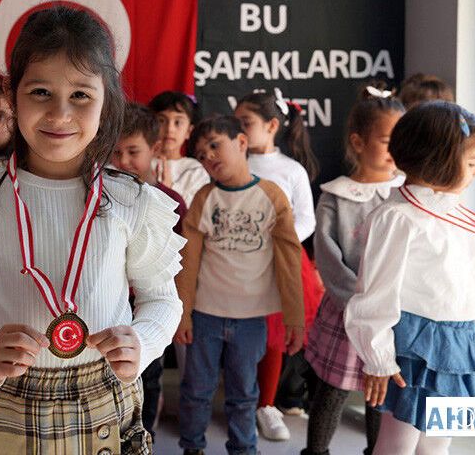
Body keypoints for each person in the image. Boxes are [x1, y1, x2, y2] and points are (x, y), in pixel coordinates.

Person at [0, 6, 184, 454]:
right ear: (11, 93)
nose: (60, 114)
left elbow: (163, 299)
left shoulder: (131, 200)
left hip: (104, 398)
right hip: (3, 399)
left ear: (107, 99)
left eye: (81, 95)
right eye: (41, 91)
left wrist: (145, 339)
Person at [345, 101, 475, 455]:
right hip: (416, 347)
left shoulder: (452, 211)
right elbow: (374, 293)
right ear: (438, 161)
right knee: (398, 445)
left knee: (439, 443)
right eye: (471, 163)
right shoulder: (397, 218)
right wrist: (378, 357)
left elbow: (471, 275)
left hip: (462, 343)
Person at [175, 115, 304, 455]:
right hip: (205, 315)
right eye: (201, 155)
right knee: (196, 390)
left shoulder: (271, 195)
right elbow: (188, 261)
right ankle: (192, 447)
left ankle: (244, 449)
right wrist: (183, 314)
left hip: (251, 319)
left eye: (215, 146)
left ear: (242, 143)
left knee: (245, 393)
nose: (209, 158)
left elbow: (290, 258)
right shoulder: (204, 198)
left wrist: (294, 317)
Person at [302, 85, 405, 455]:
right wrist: (360, 305)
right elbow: (329, 259)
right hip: (349, 313)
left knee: (382, 391)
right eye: (387, 140)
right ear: (359, 143)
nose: (396, 151)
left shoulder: (406, 193)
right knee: (332, 392)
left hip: (392, 315)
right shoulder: (337, 195)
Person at [234, 89, 323, 440]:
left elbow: (306, 219)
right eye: (236, 122)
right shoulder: (231, 159)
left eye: (246, 123)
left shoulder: (291, 170)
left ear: (271, 125)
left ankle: (266, 405)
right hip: (236, 263)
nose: (239, 129)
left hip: (281, 263)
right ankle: (241, 401)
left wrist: (278, 242)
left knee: (272, 335)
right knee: (239, 332)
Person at [111, 102, 188, 442]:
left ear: (155, 149)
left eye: (132, 151)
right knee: (113, 371)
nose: (123, 161)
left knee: (149, 373)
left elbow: (180, 265)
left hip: (150, 306)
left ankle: (146, 435)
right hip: (111, 305)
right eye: (114, 152)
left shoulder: (170, 201)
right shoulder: (99, 196)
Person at [149, 91, 211, 206]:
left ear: (189, 131)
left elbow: (193, 213)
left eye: (178, 122)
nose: (170, 129)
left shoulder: (195, 170)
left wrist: (168, 190)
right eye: (161, 121)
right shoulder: (138, 163)